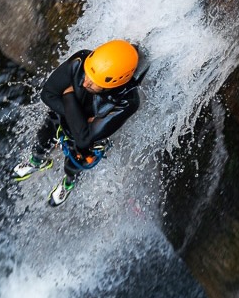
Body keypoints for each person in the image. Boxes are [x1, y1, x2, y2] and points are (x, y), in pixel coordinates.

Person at [13, 39, 143, 206]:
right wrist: (80, 118)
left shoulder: (127, 101)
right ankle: (38, 161)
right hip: (61, 117)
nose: (85, 81)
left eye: (93, 82)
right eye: (88, 73)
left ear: (114, 84)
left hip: (81, 136)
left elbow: (84, 138)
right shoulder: (81, 62)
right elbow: (47, 94)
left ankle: (68, 182)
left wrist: (68, 96)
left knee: (78, 157)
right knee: (44, 137)